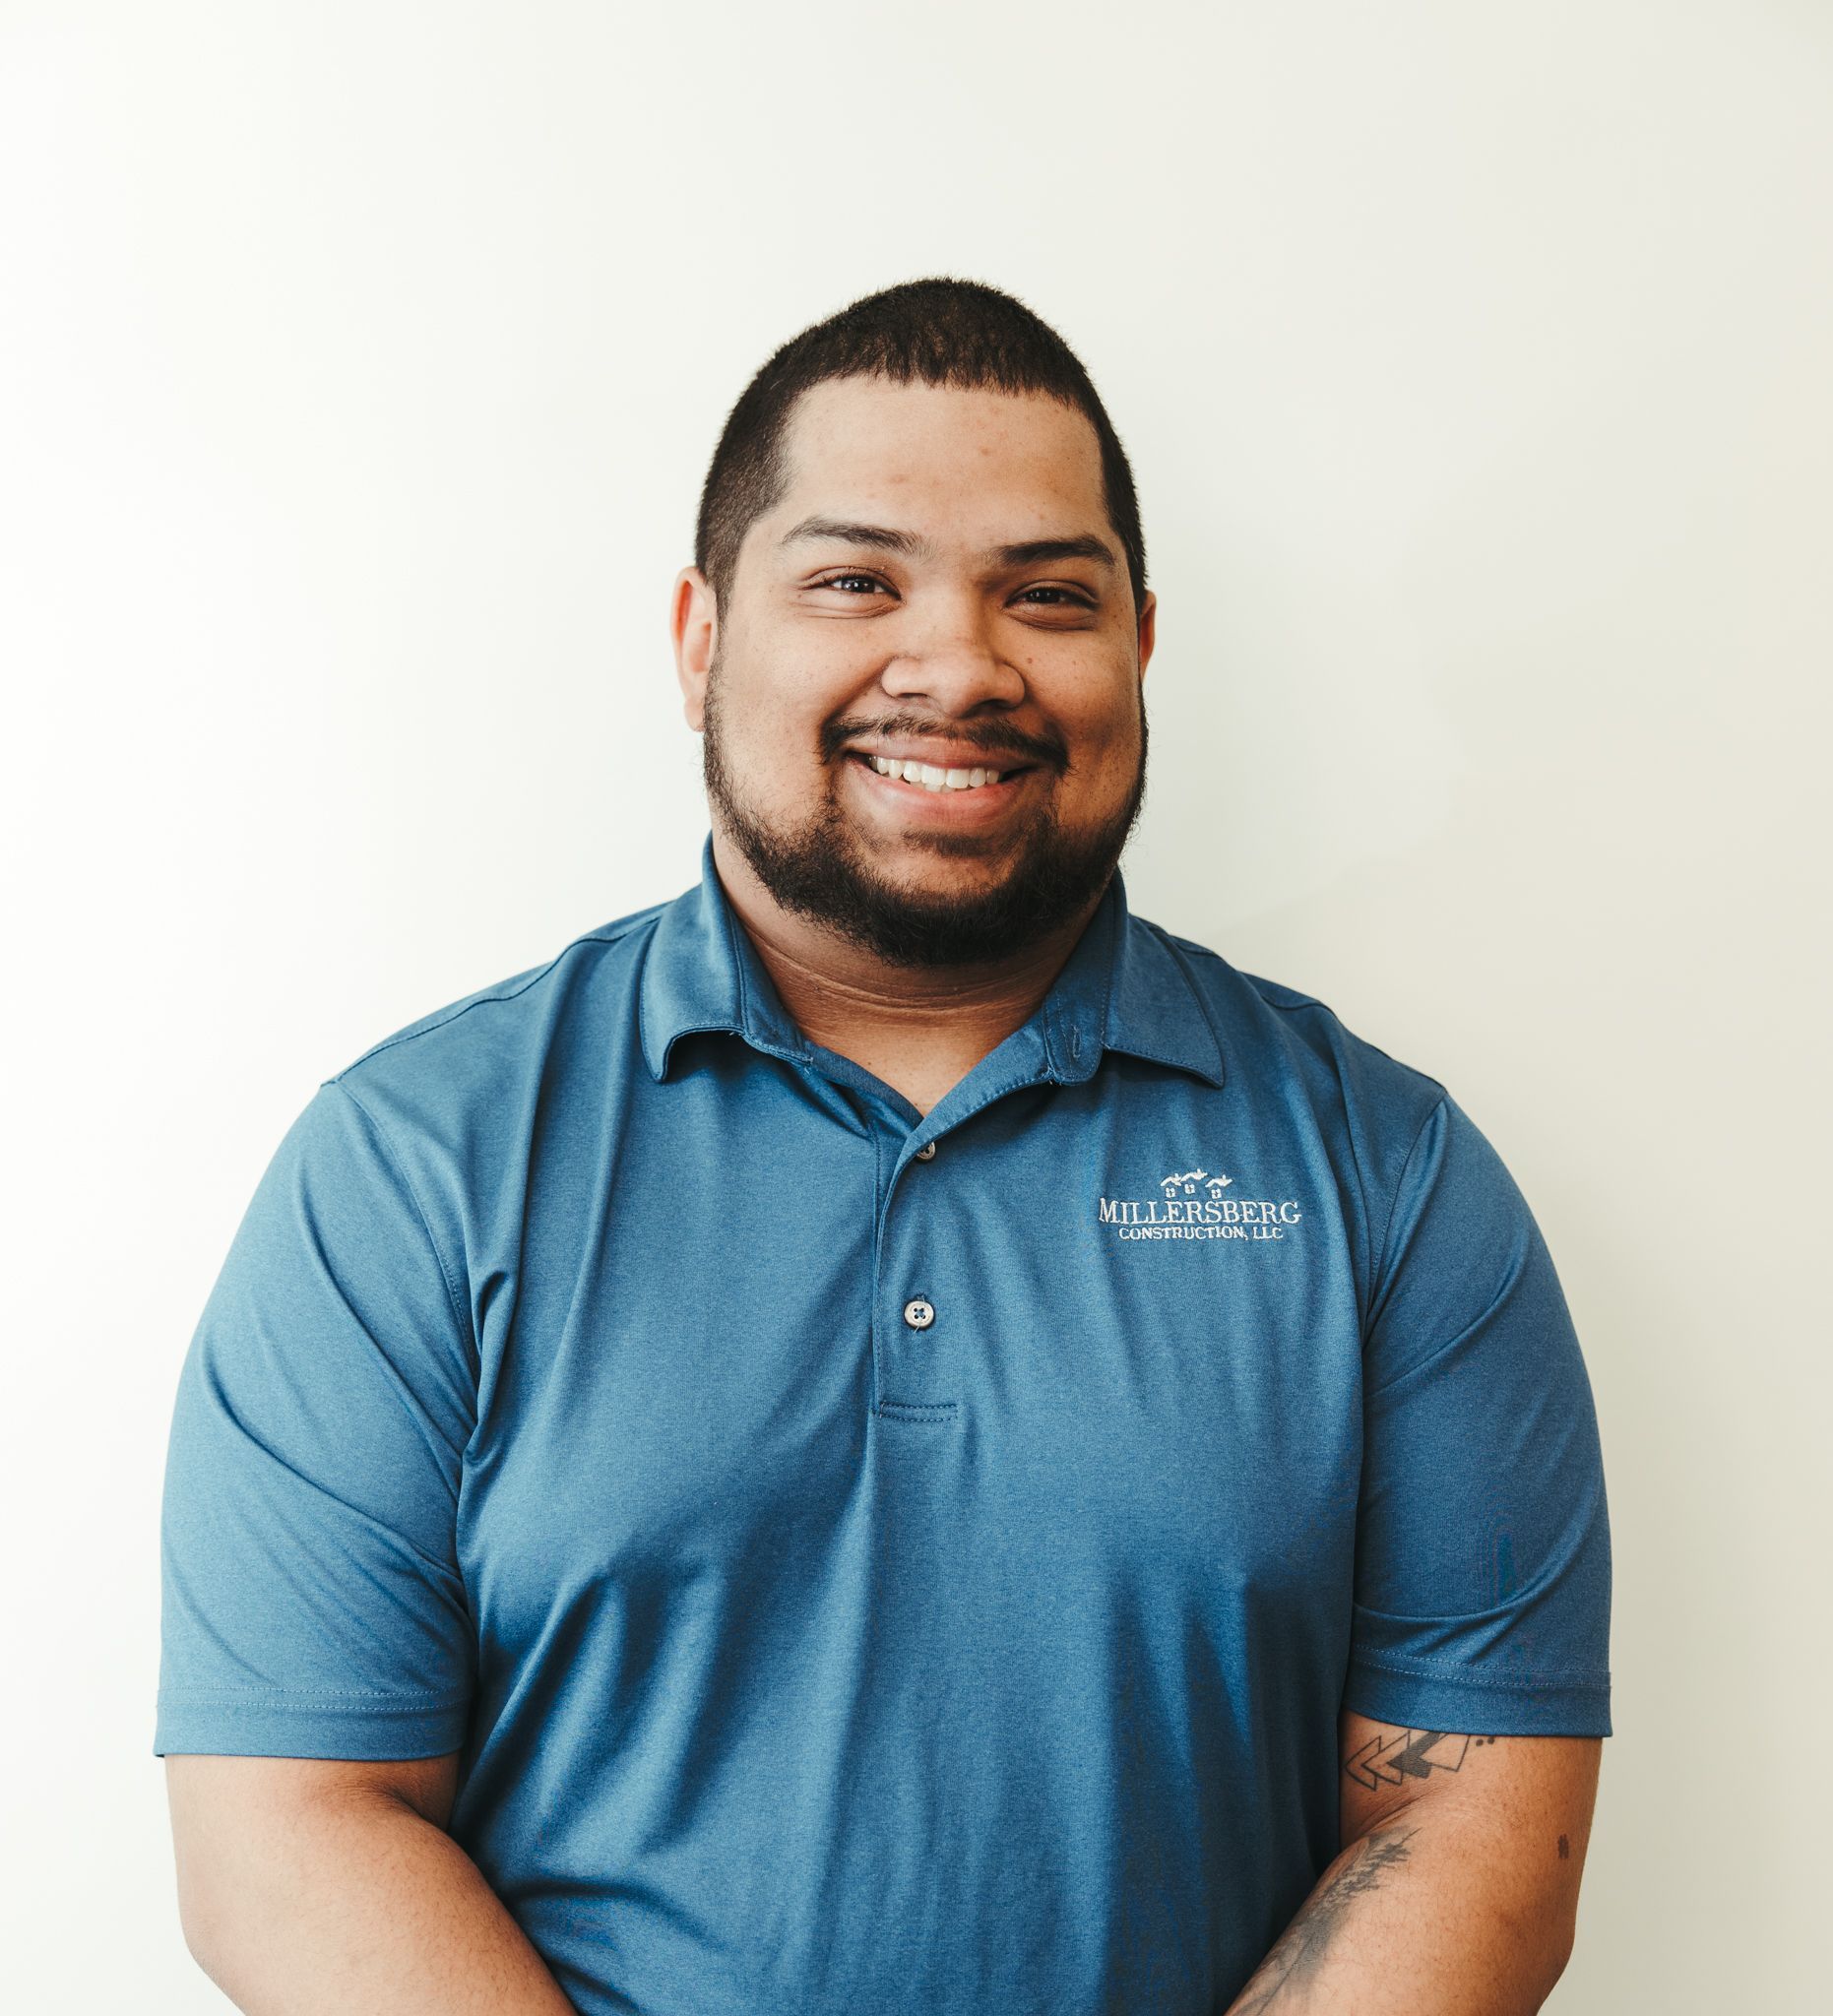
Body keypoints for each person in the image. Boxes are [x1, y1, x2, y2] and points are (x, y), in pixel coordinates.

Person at [157, 277, 1612, 2015]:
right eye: (855, 581)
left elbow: (1469, 1827)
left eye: (1046, 596)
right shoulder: (413, 1163)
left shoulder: (1386, 1172)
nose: (958, 667)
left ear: (1140, 648)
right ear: (700, 638)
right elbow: (292, 1819)